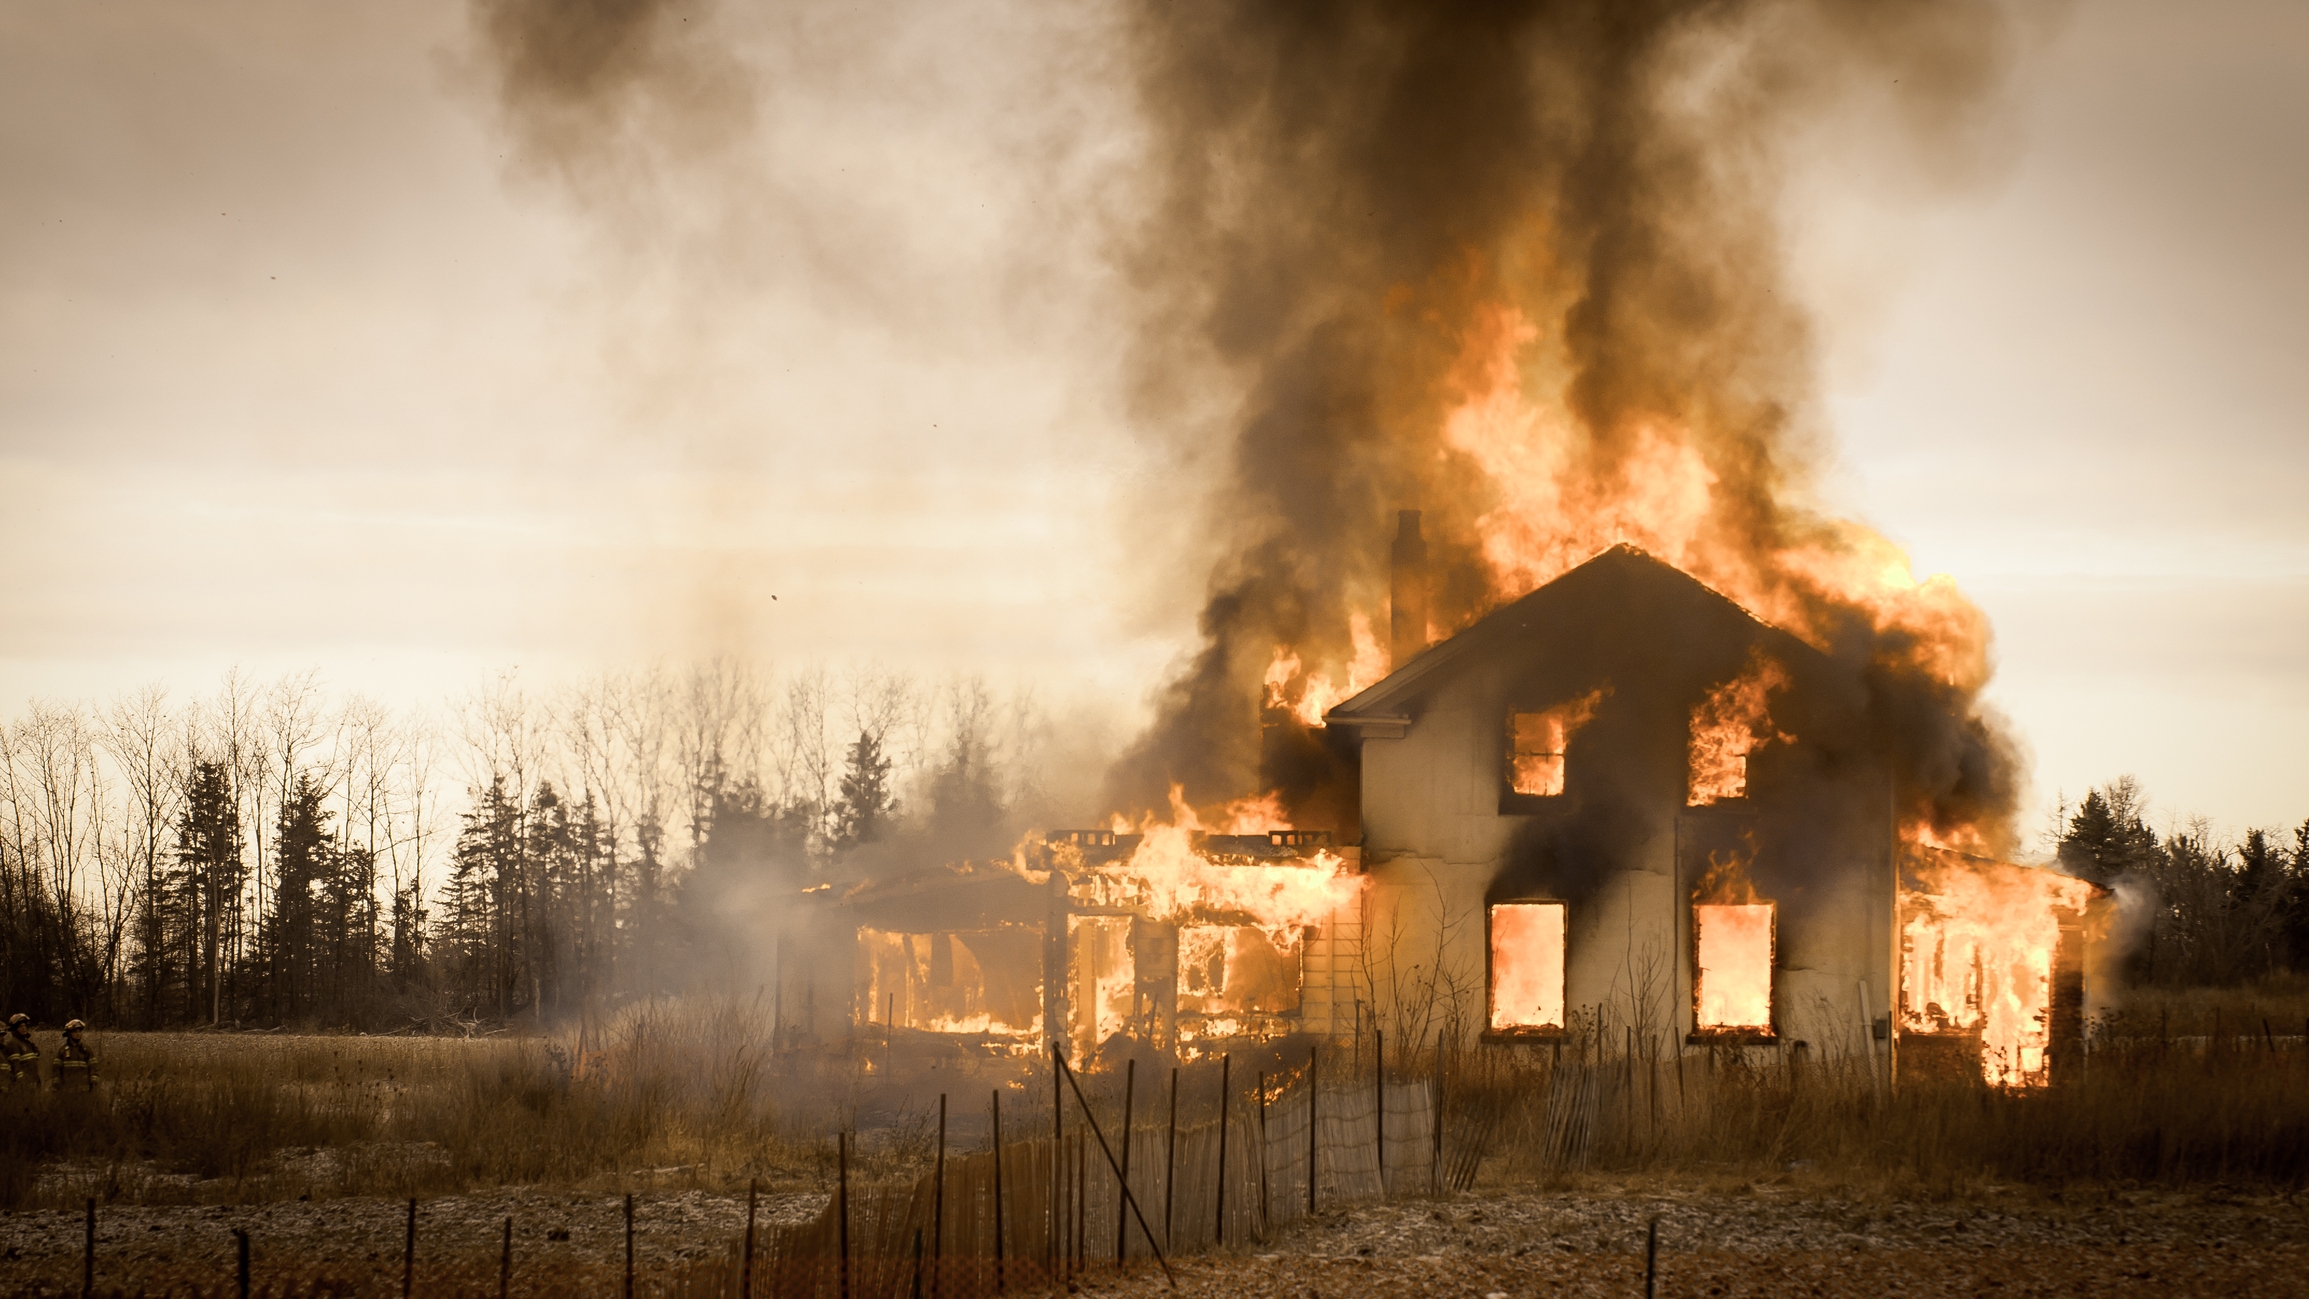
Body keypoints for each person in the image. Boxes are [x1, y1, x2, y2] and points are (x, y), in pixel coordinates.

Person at [54, 1019, 96, 1091]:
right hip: (67, 1090)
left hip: (84, 1090)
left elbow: (93, 1067)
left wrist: (94, 1081)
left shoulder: (87, 1049)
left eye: (79, 1031)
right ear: (69, 1034)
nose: (78, 1034)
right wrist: (56, 1083)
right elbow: (56, 1069)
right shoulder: (62, 1050)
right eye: (75, 1032)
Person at [4, 1013, 38, 1088]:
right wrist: (22, 1083)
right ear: (15, 1029)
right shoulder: (13, 1044)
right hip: (22, 1086)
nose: (24, 1028)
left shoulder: (26, 1043)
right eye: (20, 1026)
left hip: (32, 1085)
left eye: (25, 1026)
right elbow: (15, 1066)